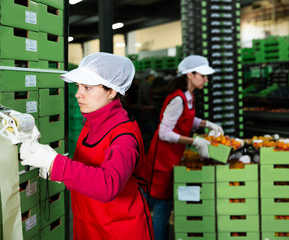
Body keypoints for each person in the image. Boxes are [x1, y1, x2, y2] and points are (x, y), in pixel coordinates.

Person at [20, 52, 154, 240]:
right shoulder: (91, 122)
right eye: (78, 86)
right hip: (89, 226)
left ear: (112, 91)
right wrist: (62, 176)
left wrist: (56, 163)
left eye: (87, 88)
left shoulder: (124, 136)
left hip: (119, 231)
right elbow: (90, 170)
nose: (77, 94)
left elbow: (108, 185)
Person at [142, 55, 224, 240]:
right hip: (162, 158)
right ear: (190, 75)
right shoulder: (178, 99)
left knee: (161, 203)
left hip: (172, 155)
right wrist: (194, 141)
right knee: (162, 206)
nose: (206, 79)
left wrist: (207, 124)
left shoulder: (188, 96)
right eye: (203, 75)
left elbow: (187, 119)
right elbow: (164, 132)